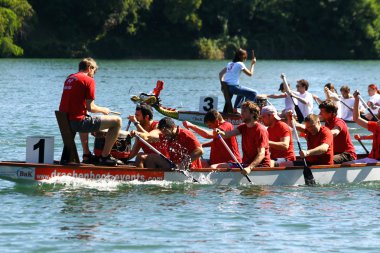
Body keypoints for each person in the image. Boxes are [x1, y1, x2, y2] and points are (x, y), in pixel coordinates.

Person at [59, 57, 122, 166]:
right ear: (90, 68)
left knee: (85, 115)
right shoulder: (89, 80)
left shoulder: (70, 78)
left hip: (65, 122)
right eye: (94, 71)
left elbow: (81, 107)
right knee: (117, 121)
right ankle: (105, 157)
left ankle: (87, 155)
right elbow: (91, 107)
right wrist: (103, 110)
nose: (94, 74)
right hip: (77, 123)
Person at [215, 101, 271, 175]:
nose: (241, 114)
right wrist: (219, 131)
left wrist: (249, 168)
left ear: (252, 114)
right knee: (216, 166)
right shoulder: (243, 127)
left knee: (217, 166)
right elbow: (227, 135)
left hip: (260, 166)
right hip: (246, 164)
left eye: (244, 111)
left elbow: (261, 154)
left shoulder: (260, 130)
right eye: (241, 111)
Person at [132, 117, 204, 169]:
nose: (164, 134)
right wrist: (137, 134)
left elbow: (200, 151)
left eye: (165, 131)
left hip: (190, 168)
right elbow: (148, 138)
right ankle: (152, 179)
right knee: (150, 158)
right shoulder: (166, 135)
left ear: (172, 127)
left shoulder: (186, 134)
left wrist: (183, 164)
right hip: (174, 165)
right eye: (162, 132)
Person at [344, 91, 380, 164]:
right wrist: (356, 100)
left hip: (377, 161)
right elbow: (356, 119)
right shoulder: (376, 125)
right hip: (371, 158)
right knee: (345, 164)